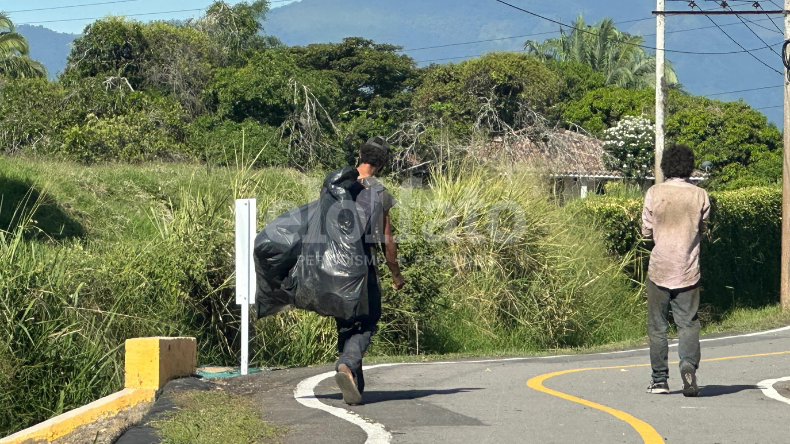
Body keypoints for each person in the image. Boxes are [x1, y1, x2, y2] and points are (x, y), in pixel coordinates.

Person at [334, 136, 406, 405]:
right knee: (368, 318)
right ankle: (347, 365)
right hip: (363, 265)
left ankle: (353, 382)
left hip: (334, 265)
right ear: (382, 163)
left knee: (346, 322)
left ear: (360, 155)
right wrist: (396, 275)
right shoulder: (379, 192)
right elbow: (388, 239)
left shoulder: (338, 184)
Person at [642, 143, 710, 398]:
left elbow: (646, 230)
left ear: (666, 166)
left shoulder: (654, 192)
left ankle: (659, 380)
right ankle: (688, 366)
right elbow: (702, 228)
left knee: (657, 326)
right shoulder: (700, 194)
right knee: (688, 323)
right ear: (689, 166)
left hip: (659, 268)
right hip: (688, 270)